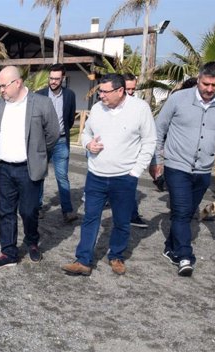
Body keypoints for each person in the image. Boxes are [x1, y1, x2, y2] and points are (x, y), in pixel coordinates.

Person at [62, 73, 156, 276]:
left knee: (121, 220)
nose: (101, 96)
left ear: (120, 91)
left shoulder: (140, 109)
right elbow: (86, 132)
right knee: (90, 218)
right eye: (100, 91)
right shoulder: (97, 109)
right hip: (96, 175)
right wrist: (88, 143)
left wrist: (135, 172)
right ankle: (83, 260)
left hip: (124, 177)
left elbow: (149, 142)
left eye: (105, 92)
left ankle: (116, 256)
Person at [153, 61, 215, 276]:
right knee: (180, 210)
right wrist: (157, 160)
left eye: (214, 85)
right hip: (176, 165)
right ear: (198, 79)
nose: (208, 89)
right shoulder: (178, 99)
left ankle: (170, 248)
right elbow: (159, 129)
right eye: (205, 83)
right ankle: (185, 256)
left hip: (202, 170)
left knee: (187, 212)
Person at [0, 66, 60, 267]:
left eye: (3, 85)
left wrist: (39, 153)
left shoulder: (41, 104)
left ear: (17, 82)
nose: (0, 89)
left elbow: (53, 133)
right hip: (4, 168)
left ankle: (32, 240)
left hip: (28, 168)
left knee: (29, 210)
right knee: (5, 211)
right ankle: (8, 252)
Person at [36, 63, 77, 223]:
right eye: (51, 78)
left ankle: (67, 210)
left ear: (63, 78)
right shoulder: (39, 95)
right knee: (39, 176)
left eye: (57, 79)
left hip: (61, 141)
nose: (53, 81)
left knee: (62, 176)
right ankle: (37, 207)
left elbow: (70, 119)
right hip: (42, 142)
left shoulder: (70, 95)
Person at [121, 73, 149, 228]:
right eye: (128, 89)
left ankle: (132, 215)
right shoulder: (106, 105)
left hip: (132, 156)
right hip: (113, 157)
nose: (131, 92)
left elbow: (148, 135)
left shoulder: (140, 106)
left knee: (130, 187)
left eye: (133, 89)